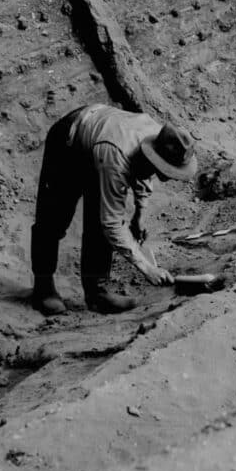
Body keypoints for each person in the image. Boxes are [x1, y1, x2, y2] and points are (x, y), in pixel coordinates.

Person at [29, 104, 197, 315]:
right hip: (69, 144)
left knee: (97, 223)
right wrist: (147, 268)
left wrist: (140, 214)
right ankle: (43, 288)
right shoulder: (116, 156)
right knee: (54, 218)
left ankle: (97, 293)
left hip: (99, 143)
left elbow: (144, 169)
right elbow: (111, 222)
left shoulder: (161, 139)